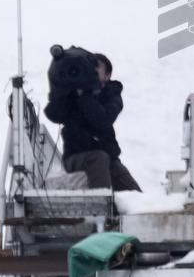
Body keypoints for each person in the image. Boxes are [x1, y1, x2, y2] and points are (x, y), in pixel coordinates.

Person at [43, 52, 142, 191]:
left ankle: (114, 208)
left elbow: (103, 120)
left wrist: (85, 95)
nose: (93, 69)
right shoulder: (74, 93)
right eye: (91, 65)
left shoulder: (111, 94)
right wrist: (61, 92)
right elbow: (53, 114)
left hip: (109, 157)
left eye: (97, 66)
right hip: (75, 157)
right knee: (98, 158)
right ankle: (101, 207)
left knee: (135, 196)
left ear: (107, 76)